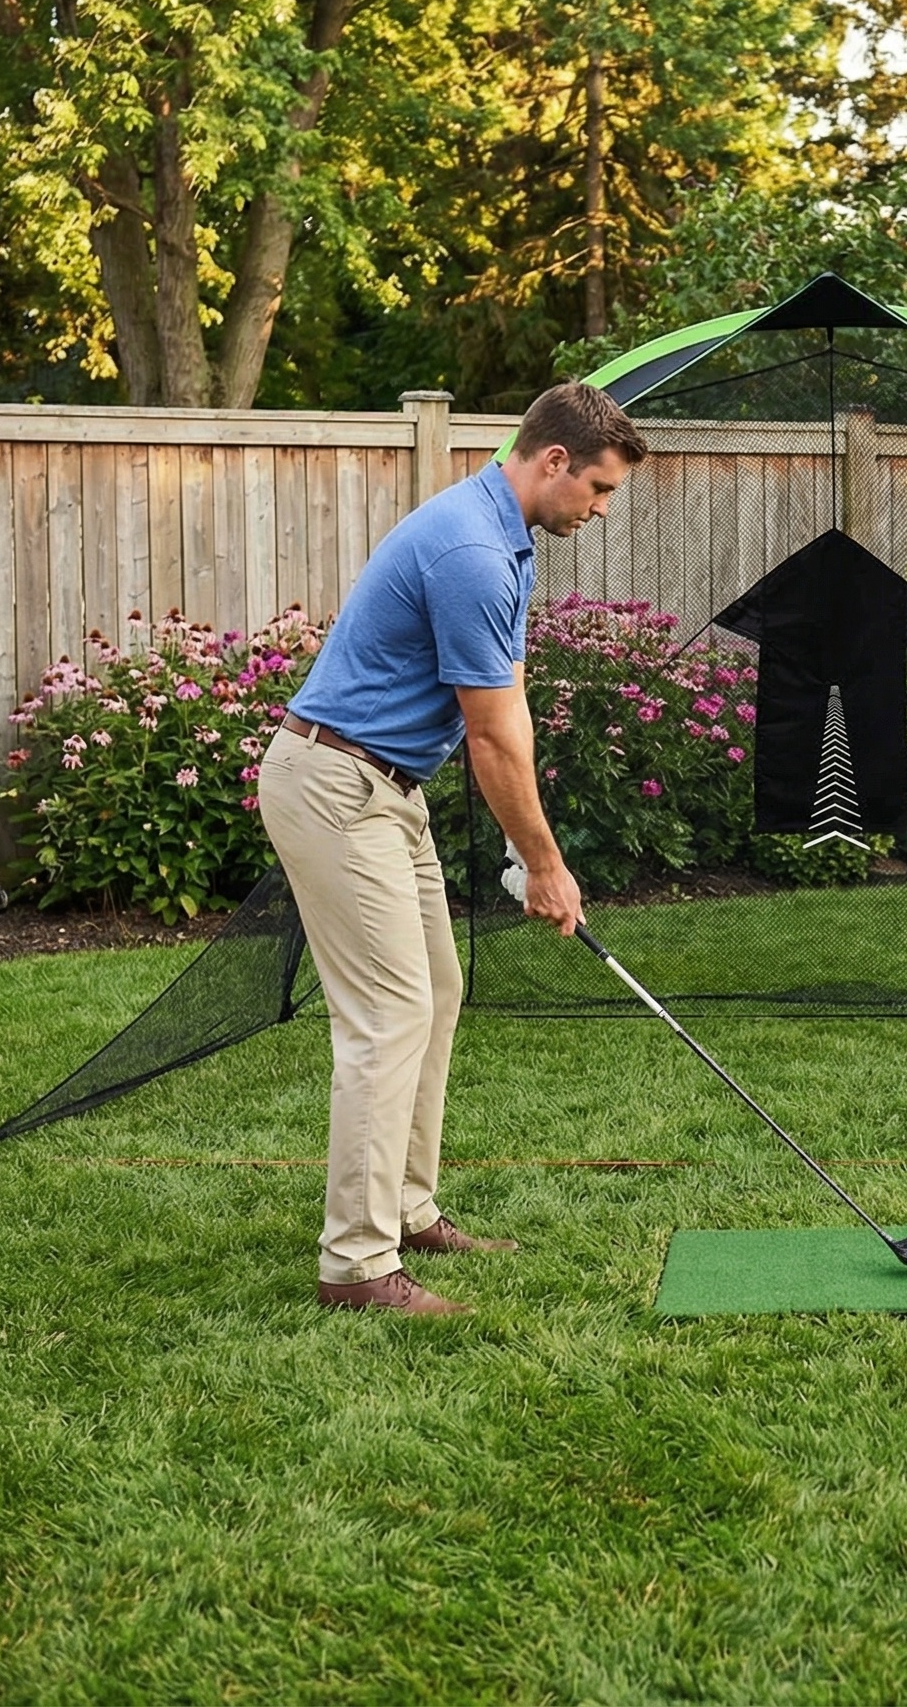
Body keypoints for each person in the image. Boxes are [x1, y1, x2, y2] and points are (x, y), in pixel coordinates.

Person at [258, 381, 648, 1316]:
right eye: (597, 490)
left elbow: (504, 709)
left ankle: (406, 1208)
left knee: (436, 989)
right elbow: (492, 738)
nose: (599, 511)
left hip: (386, 788)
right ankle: (356, 1267)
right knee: (387, 1018)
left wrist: (533, 847)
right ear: (553, 461)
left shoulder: (501, 538)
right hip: (337, 786)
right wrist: (547, 865)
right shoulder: (474, 550)